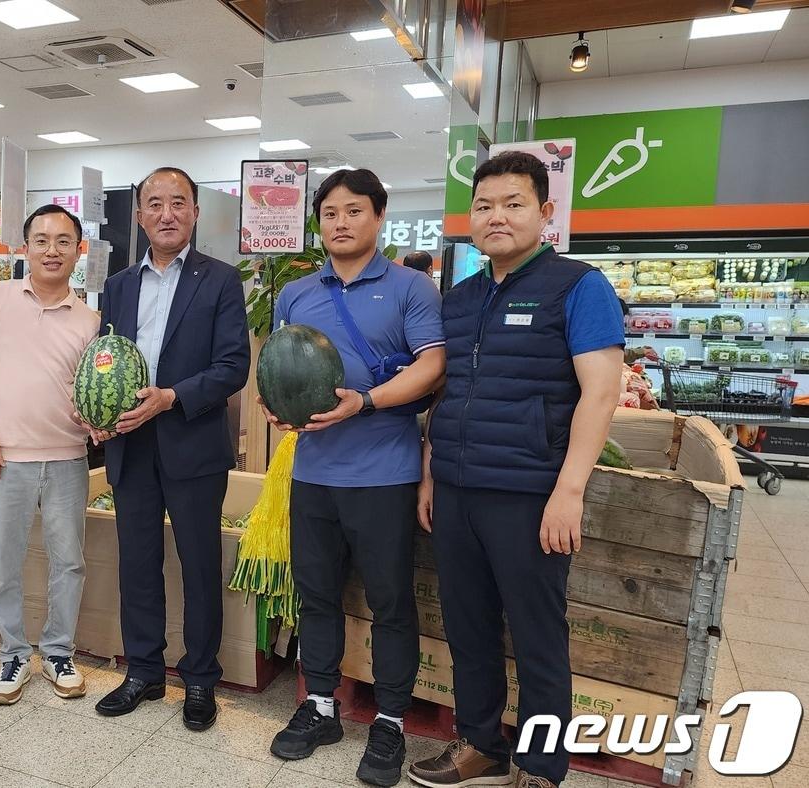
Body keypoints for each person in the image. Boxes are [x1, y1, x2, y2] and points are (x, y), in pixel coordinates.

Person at [410, 151, 624, 788]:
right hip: (455, 489)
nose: (496, 217)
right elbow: (445, 391)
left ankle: (540, 764)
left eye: (513, 204)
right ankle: (479, 744)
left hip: (529, 492)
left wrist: (569, 491)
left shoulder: (579, 287)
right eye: (483, 206)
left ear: (546, 213)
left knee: (536, 633)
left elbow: (602, 392)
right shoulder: (463, 296)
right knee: (468, 624)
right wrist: (430, 473)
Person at [262, 169, 444, 786]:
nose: (340, 223)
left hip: (384, 474)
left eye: (354, 211)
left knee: (391, 603)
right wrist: (276, 403)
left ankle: (390, 721)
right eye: (330, 213)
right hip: (313, 474)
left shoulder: (411, 288)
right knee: (316, 595)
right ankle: (319, 707)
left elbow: (433, 368)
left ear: (379, 217)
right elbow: (282, 363)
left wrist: (363, 403)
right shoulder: (296, 293)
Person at [92, 167, 249, 732]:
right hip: (130, 445)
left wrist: (170, 398)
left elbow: (233, 366)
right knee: (137, 563)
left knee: (199, 566)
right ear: (139, 215)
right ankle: (143, 671)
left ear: (196, 212)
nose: (166, 214)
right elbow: (103, 359)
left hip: (193, 443)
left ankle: (201, 679)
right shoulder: (118, 286)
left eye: (177, 202)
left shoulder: (222, 280)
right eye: (154, 204)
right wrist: (99, 413)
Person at [0, 204, 100, 705]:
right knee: (4, 563)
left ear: (78, 250)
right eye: (41, 239)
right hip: (4, 457)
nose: (52, 250)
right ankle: (14, 651)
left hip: (67, 456)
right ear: (24, 248)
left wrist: (94, 421)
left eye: (64, 241)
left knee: (69, 561)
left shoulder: (89, 319)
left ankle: (59, 650)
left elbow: (87, 388)